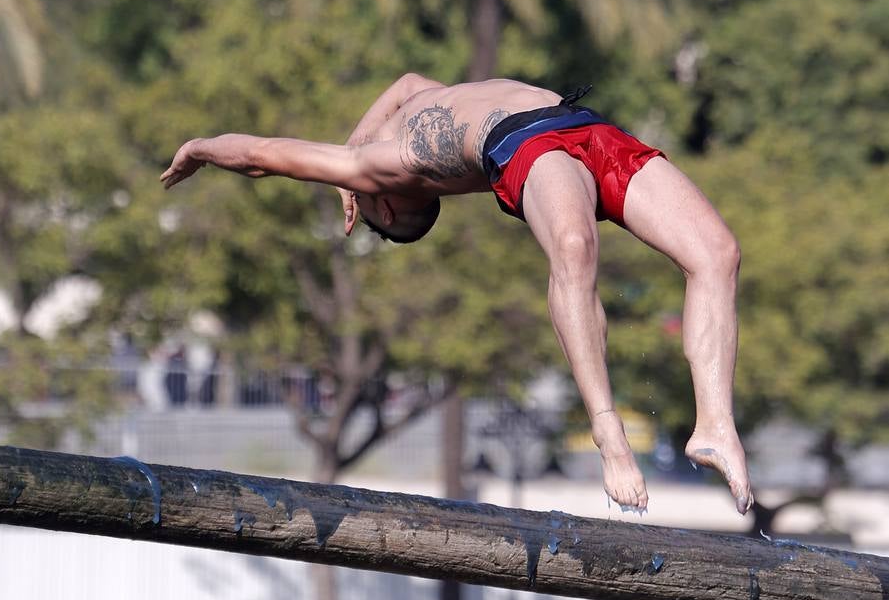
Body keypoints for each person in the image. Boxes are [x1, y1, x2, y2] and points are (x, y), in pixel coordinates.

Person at [161, 75, 753, 515]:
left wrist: (343, 141)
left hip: (585, 125)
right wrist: (206, 148)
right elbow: (263, 158)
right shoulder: (374, 164)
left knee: (717, 252)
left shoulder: (392, 128)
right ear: (387, 202)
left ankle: (715, 424)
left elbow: (403, 84)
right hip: (529, 144)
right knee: (573, 249)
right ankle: (609, 432)